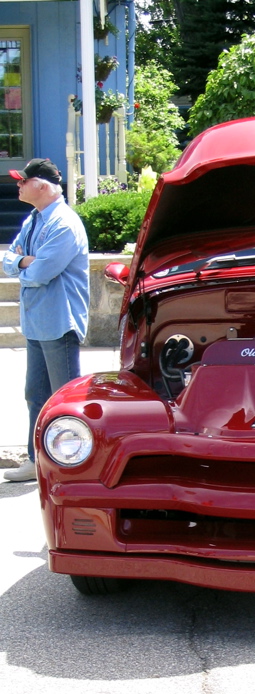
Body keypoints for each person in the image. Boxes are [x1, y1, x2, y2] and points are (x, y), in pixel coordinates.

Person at [2, 158, 90, 482]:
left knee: (64, 399)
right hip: (37, 322)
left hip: (59, 322)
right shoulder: (34, 220)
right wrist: (24, 262)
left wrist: (23, 265)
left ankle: (72, 464)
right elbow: (10, 259)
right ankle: (35, 460)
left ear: (41, 184)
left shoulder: (64, 224)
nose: (19, 186)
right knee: (35, 395)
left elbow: (41, 272)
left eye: (23, 181)